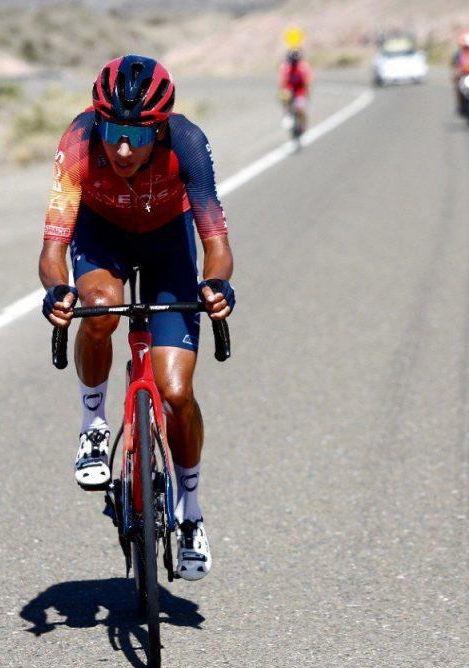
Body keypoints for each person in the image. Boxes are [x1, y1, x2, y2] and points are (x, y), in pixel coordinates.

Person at [38, 55, 236, 581]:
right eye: (113, 131)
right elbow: (53, 246)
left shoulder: (188, 143)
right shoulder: (78, 142)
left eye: (138, 135)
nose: (122, 148)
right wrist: (58, 290)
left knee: (175, 393)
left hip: (169, 247)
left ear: (160, 128)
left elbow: (215, 242)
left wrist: (216, 285)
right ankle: (94, 425)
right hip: (101, 239)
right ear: (97, 121)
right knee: (98, 312)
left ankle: (190, 512)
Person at [278, 48, 314, 135]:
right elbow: (282, 82)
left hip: (300, 90)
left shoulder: (303, 67)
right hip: (290, 90)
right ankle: (287, 115)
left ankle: (303, 123)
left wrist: (306, 92)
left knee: (300, 108)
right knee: (286, 102)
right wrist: (283, 93)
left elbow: (308, 81)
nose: (293, 63)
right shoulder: (285, 68)